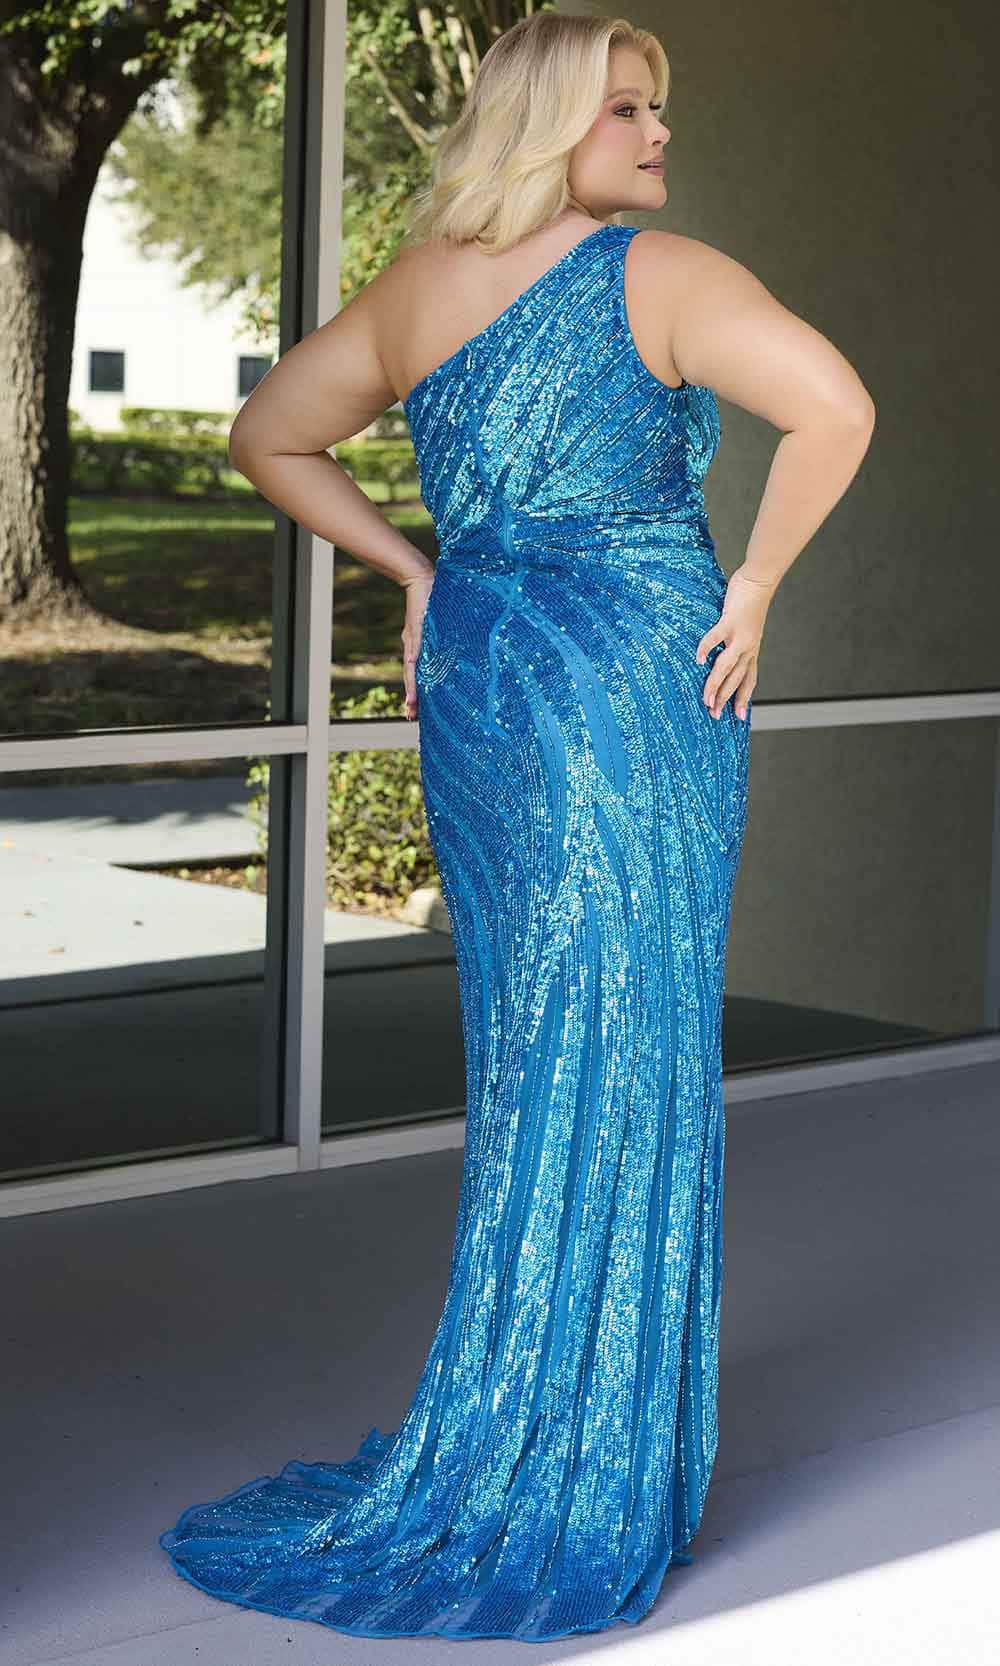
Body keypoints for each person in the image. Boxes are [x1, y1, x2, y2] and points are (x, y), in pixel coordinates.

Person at [159, 11, 875, 1643]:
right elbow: (837, 406)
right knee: (628, 1043)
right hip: (631, 686)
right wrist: (757, 582)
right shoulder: (660, 277)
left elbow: (268, 435)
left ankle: (530, 1420)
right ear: (549, 123)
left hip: (487, 684)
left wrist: (419, 570)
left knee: (545, 1047)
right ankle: (587, 1460)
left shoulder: (416, 293)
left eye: (659, 110)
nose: (659, 135)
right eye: (629, 110)